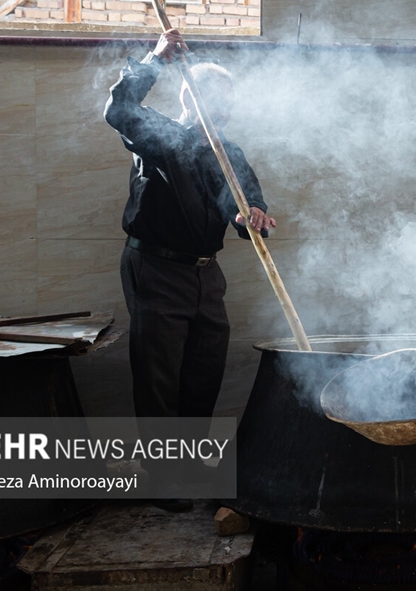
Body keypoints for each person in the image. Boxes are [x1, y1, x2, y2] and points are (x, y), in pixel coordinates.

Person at [104, 29, 275, 512]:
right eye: (217, 102)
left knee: (204, 368)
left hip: (206, 276)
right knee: (160, 377)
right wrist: (155, 59)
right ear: (191, 97)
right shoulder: (159, 135)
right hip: (156, 267)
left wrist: (252, 219)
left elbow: (247, 206)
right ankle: (162, 477)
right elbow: (117, 110)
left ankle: (189, 463)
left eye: (229, 104)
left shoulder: (230, 152)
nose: (225, 112)